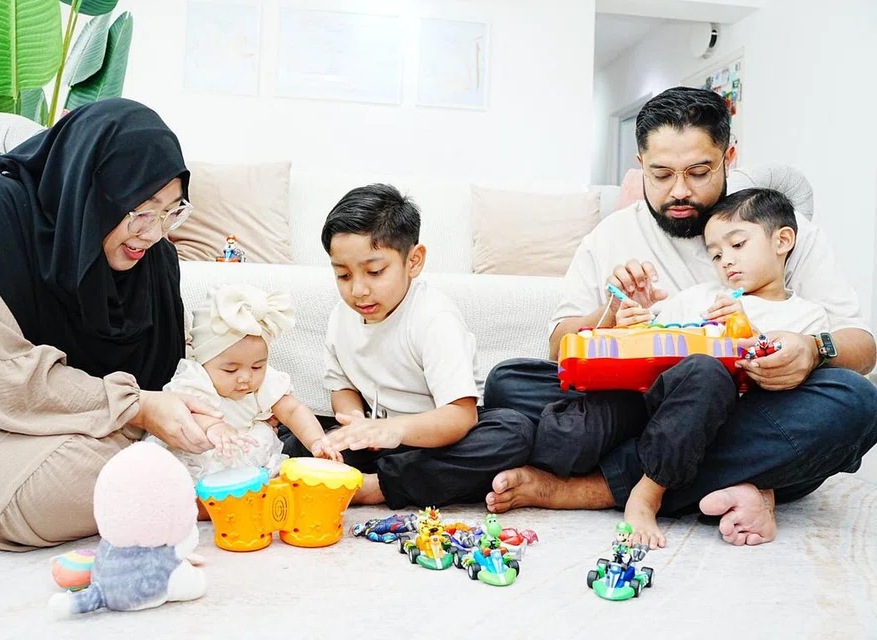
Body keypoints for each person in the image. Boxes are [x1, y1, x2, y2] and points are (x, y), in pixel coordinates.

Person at [483, 87, 877, 546]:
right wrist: (611, 314)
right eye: (662, 174)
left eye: (699, 171)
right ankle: (743, 482)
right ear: (640, 164)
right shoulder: (611, 236)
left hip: (750, 410)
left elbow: (862, 346)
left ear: (729, 155)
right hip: (640, 406)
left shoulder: (783, 229)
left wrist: (813, 350)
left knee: (856, 402)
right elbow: (557, 352)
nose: (680, 191)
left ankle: (593, 489)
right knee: (507, 383)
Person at [0, 99, 224, 551]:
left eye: (171, 211)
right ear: (92, 188)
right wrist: (134, 408)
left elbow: (166, 370)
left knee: (157, 460)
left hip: (75, 426)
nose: (153, 231)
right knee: (93, 476)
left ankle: (159, 484)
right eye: (139, 209)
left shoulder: (154, 258)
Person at [539, 188, 831, 549]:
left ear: (782, 240)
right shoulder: (699, 297)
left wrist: (747, 333)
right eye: (717, 254)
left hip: (730, 419)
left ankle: (647, 492)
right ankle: (740, 484)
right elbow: (652, 339)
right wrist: (630, 318)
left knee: (709, 374)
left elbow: (791, 384)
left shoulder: (805, 316)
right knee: (511, 380)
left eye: (738, 246)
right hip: (659, 409)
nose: (726, 261)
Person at [280, 184, 534, 508]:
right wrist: (356, 423)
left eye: (374, 272)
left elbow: (461, 416)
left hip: (438, 440)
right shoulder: (341, 316)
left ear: (413, 261)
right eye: (343, 275)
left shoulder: (434, 318)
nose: (358, 290)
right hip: (377, 442)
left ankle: (377, 487)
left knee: (513, 433)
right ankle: (378, 477)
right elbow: (341, 387)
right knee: (299, 442)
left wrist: (392, 430)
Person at [154, 283, 340, 481]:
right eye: (230, 369)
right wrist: (213, 426)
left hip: (246, 457)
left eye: (257, 366)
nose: (246, 377)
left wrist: (317, 441)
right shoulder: (196, 378)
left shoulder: (264, 382)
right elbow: (183, 413)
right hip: (199, 458)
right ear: (201, 360)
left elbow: (293, 410)